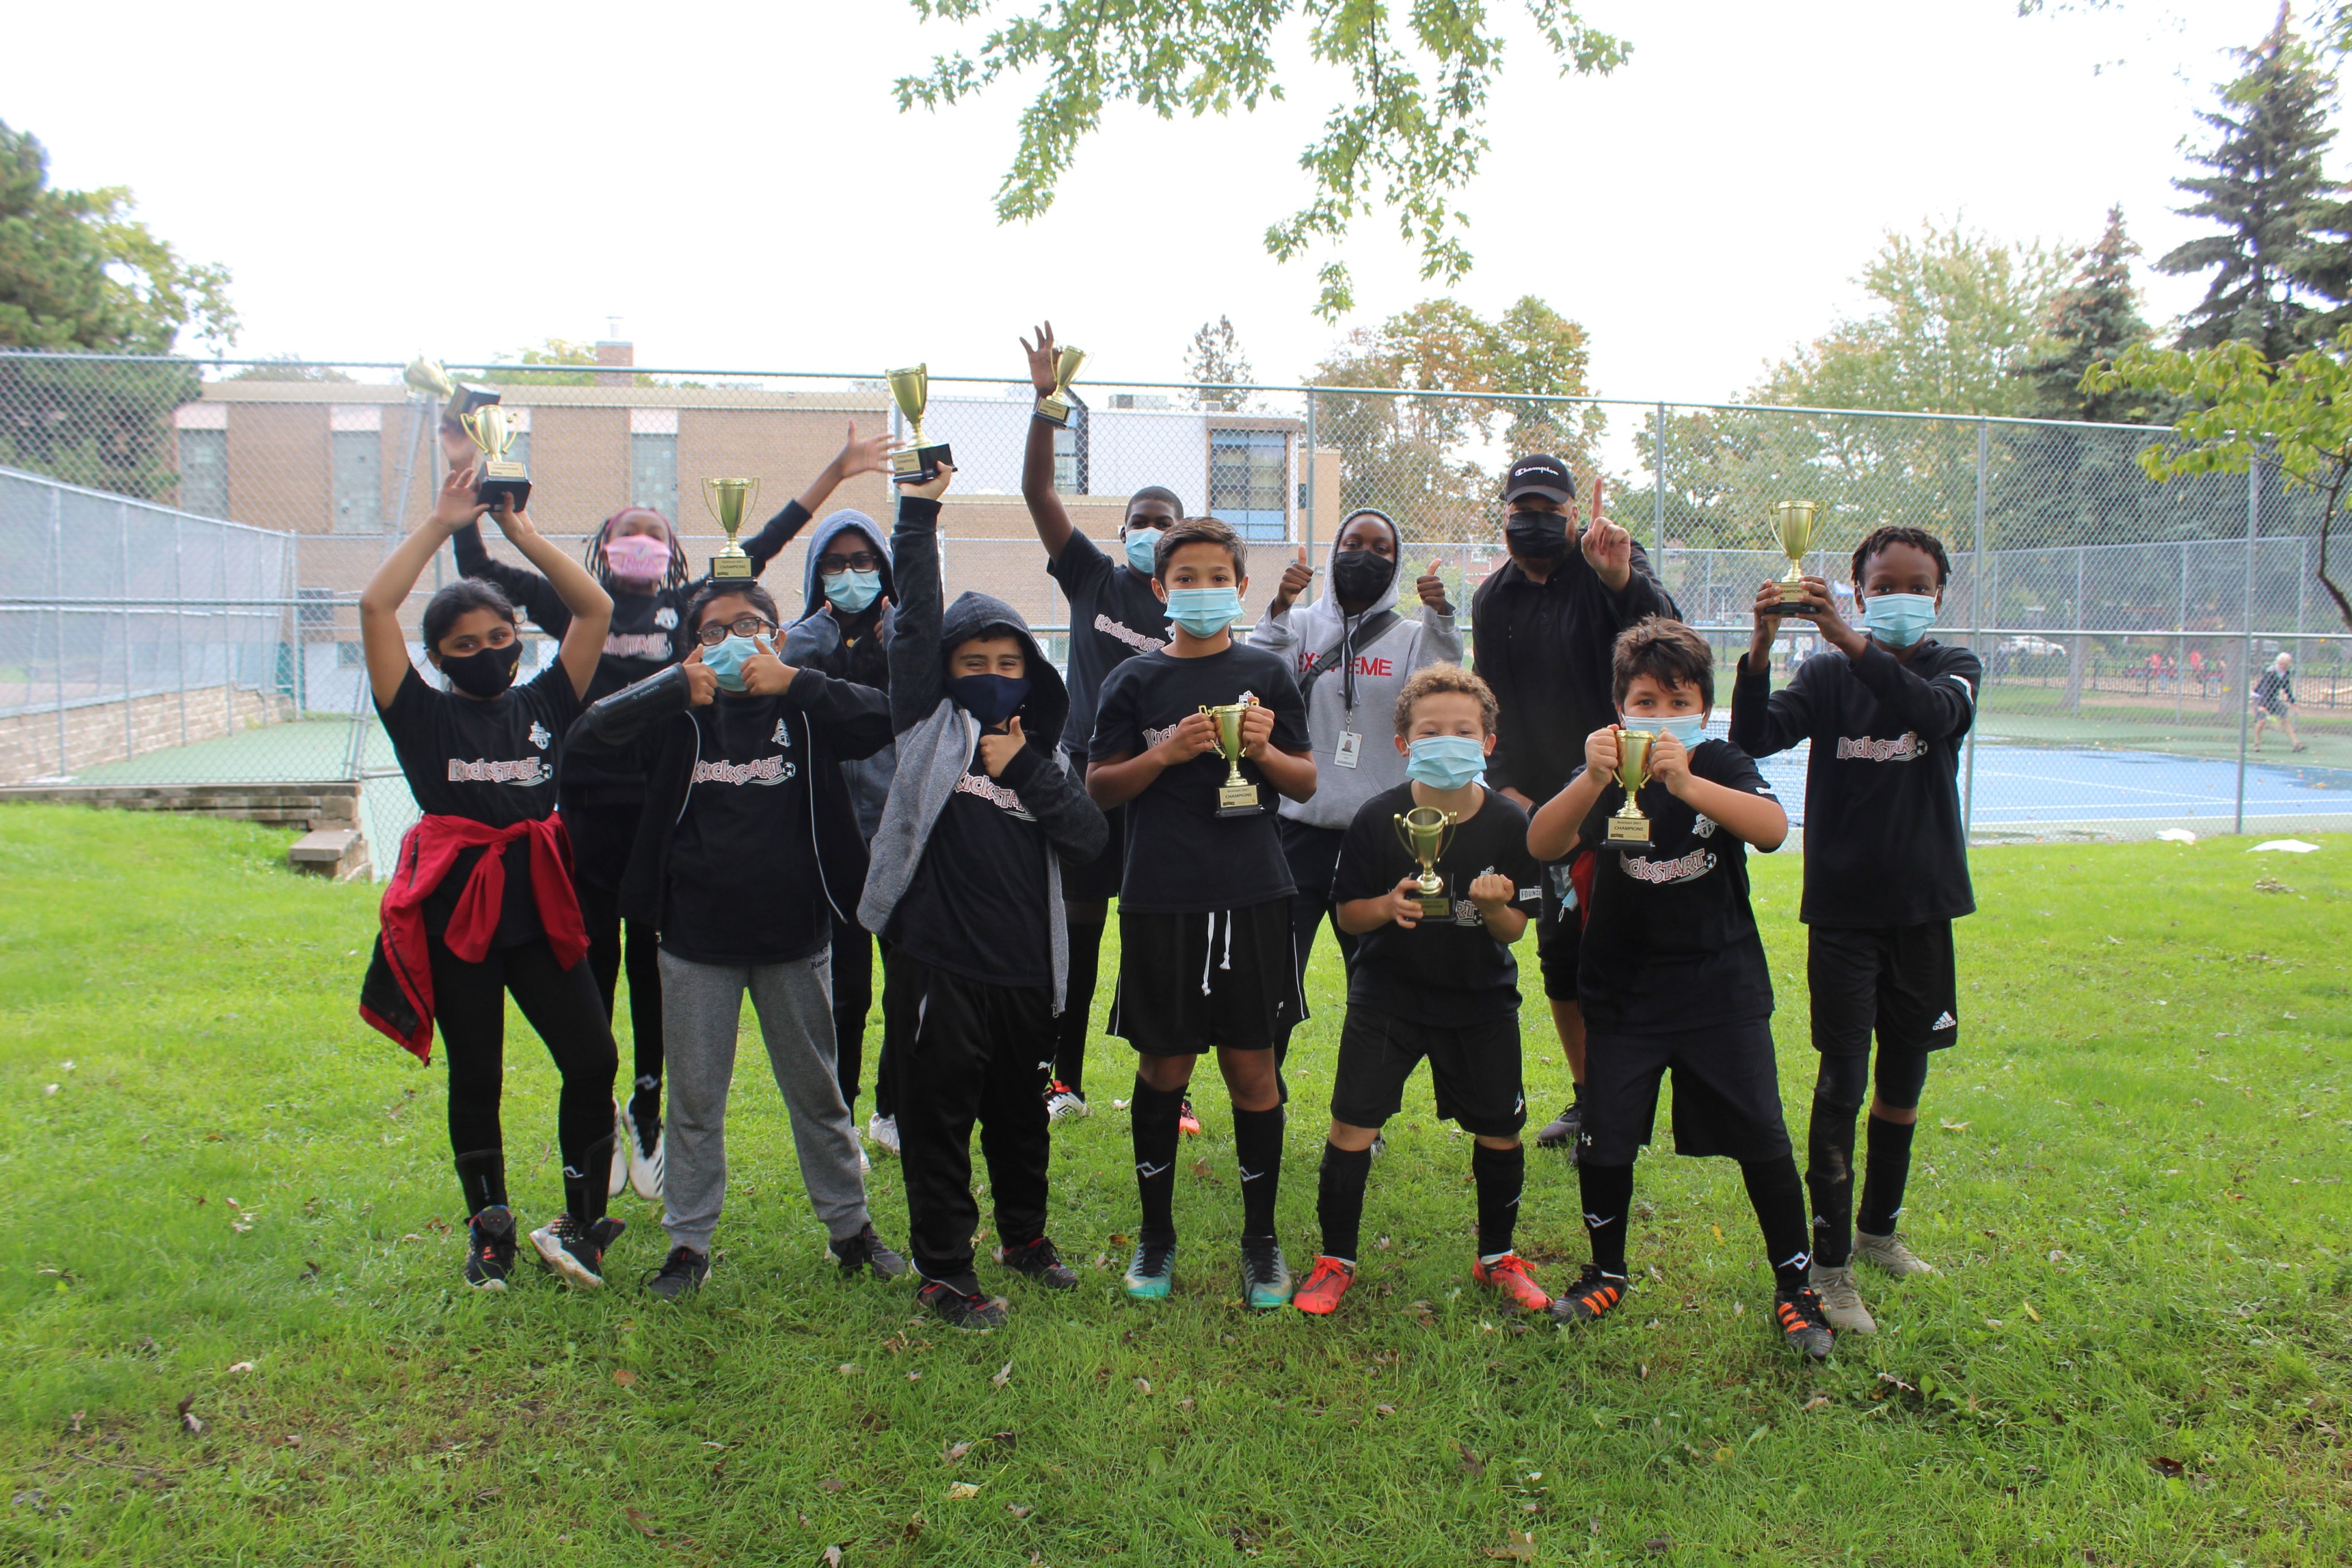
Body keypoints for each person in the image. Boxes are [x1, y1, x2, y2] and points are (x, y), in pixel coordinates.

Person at [444, 418, 892, 1200]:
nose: (642, 543)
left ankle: (650, 1111)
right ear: (604, 547)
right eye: (628, 533)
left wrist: (836, 470)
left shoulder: (695, 609)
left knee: (660, 978)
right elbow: (481, 569)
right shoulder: (578, 610)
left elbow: (768, 543)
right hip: (588, 817)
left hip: (664, 812)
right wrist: (486, 490)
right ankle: (599, 1120)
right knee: (593, 975)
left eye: (655, 533)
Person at [563, 579, 907, 1300]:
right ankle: (688, 1246)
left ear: (776, 638)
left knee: (817, 1094)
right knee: (695, 1100)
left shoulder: (805, 708)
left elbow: (893, 717)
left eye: (748, 625)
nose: (732, 639)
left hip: (794, 938)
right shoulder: (678, 716)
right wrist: (667, 688)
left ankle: (850, 1230)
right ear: (695, 649)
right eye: (714, 631)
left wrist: (800, 682)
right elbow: (588, 736)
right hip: (695, 944)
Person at [1527, 616, 1833, 1360]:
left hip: (1718, 988)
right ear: (1618, 706)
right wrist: (1597, 776)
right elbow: (1541, 842)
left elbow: (1770, 828)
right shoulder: (1603, 766)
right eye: (1644, 702)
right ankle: (1606, 1269)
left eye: (1677, 702)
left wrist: (1687, 780)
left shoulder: (1720, 759)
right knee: (1606, 1139)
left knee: (1762, 1134)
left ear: (1704, 706)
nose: (1660, 719)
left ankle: (1795, 1285)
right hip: (1624, 993)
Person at [357, 464, 622, 1290]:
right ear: (438, 656)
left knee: (593, 1057)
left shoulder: (546, 699)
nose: (484, 653)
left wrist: (519, 535)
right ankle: (491, 1228)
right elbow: (374, 607)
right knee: (479, 1071)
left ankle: (580, 1221)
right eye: (462, 645)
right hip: (459, 911)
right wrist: (441, 523)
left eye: (497, 637)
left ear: (517, 636)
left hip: (540, 905)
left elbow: (595, 608)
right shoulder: (420, 710)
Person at [858, 462, 1109, 1329]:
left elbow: (1088, 838)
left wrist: (1029, 768)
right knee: (939, 1117)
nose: (994, 672)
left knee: (1019, 1116)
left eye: (1009, 660)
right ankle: (944, 1271)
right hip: (938, 964)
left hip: (1022, 972)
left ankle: (1026, 1238)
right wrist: (919, 511)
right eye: (976, 660)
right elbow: (915, 623)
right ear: (948, 670)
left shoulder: (1040, 751)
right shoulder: (929, 725)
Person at [1729, 525, 1983, 1335]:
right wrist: (1763, 646)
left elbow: (1935, 717)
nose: (1902, 592)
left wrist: (1847, 635)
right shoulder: (1829, 675)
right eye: (1886, 580)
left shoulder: (1956, 669)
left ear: (1938, 594)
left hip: (1924, 910)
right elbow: (1753, 736)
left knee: (1902, 1086)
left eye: (1919, 581)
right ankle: (1830, 1263)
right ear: (1858, 585)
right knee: (1842, 1081)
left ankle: (1880, 1230)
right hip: (1842, 913)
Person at [1086, 516, 1316, 1307]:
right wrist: (1165, 753)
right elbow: (1099, 785)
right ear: (1161, 589)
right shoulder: (1135, 682)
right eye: (1185, 577)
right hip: (1162, 897)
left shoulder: (1267, 674)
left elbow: (1307, 782)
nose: (1202, 589)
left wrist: (1259, 747)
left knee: (1254, 1068)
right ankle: (1157, 1236)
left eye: (1217, 576)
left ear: (1242, 587)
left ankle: (1261, 1241)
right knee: (1165, 1066)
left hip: (1254, 893)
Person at [1291, 665, 1546, 1317]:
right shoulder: (1378, 817)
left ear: (1488, 741)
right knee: (1352, 1124)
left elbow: (1515, 930)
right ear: (1404, 741)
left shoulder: (1512, 825)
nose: (1448, 740)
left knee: (1499, 1132)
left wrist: (1493, 908)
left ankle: (1496, 1256)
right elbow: (1347, 914)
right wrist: (1387, 905)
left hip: (1480, 1001)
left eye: (1464, 730)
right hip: (1387, 998)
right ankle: (1334, 1260)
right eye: (1430, 730)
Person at [1469, 456, 1676, 1156]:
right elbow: (1490, 698)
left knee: (1634, 950)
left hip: (1629, 793)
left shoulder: (1612, 563)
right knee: (1561, 957)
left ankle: (1635, 1096)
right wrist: (1509, 790)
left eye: (1549, 505)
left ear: (1573, 513)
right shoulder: (1493, 597)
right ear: (1502, 514)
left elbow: (1667, 644)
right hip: (1549, 808)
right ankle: (1593, 1100)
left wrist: (1619, 576)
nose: (1535, 518)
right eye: (1521, 505)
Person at [1018, 323, 1190, 1131]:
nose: (1147, 529)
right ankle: (1066, 1077)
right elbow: (1039, 494)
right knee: (1081, 938)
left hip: (1163, 786)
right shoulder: (1092, 575)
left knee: (1157, 937)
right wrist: (1047, 405)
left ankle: (1173, 1083)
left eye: (1162, 520)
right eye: (1138, 518)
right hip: (1088, 778)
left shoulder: (1192, 603)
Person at [1250, 512, 1460, 1105]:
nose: (1364, 555)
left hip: (1378, 837)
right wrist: (1278, 603)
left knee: (1374, 985)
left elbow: (1443, 683)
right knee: (1277, 977)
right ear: (1332, 548)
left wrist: (1441, 616)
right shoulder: (1300, 622)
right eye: (1352, 543)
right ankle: (1264, 1098)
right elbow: (1258, 674)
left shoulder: (1411, 633)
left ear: (1397, 560)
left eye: (1380, 547)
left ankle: (1362, 1113)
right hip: (1297, 831)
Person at [777, 505, 906, 1153]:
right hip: (830, 840)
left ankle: (893, 1108)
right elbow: (789, 695)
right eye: (835, 563)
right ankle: (843, 1118)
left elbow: (908, 711)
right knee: (846, 994)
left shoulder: (902, 635)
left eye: (863, 562)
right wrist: (809, 650)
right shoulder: (801, 640)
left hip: (898, 830)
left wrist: (895, 645)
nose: (850, 574)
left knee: (908, 984)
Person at [2251, 651, 2304, 752]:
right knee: (2262, 721)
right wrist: (2262, 706)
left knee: (2285, 719)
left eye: (2286, 664)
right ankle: (2256, 744)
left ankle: (2296, 743)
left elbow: (2287, 687)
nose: (2283, 666)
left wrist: (2293, 702)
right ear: (2278, 662)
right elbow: (2265, 689)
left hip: (2273, 698)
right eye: (2282, 664)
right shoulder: (2271, 672)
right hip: (2261, 697)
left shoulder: (2286, 673)